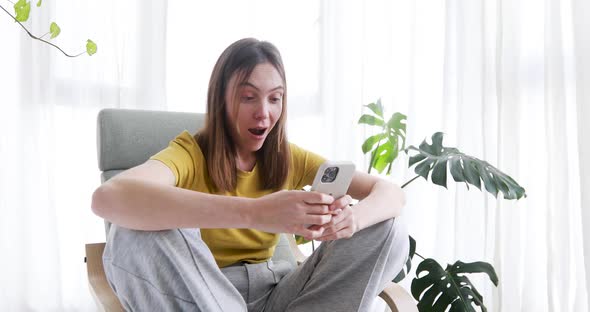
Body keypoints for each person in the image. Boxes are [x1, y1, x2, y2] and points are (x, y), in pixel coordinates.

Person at [91, 38, 409, 312]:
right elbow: (108, 197)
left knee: (388, 226)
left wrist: (351, 220)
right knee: (130, 231)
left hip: (281, 294)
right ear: (221, 99)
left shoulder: (288, 157)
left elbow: (390, 193)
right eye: (248, 97)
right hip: (204, 297)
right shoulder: (189, 154)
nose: (264, 112)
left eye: (275, 98)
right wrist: (256, 213)